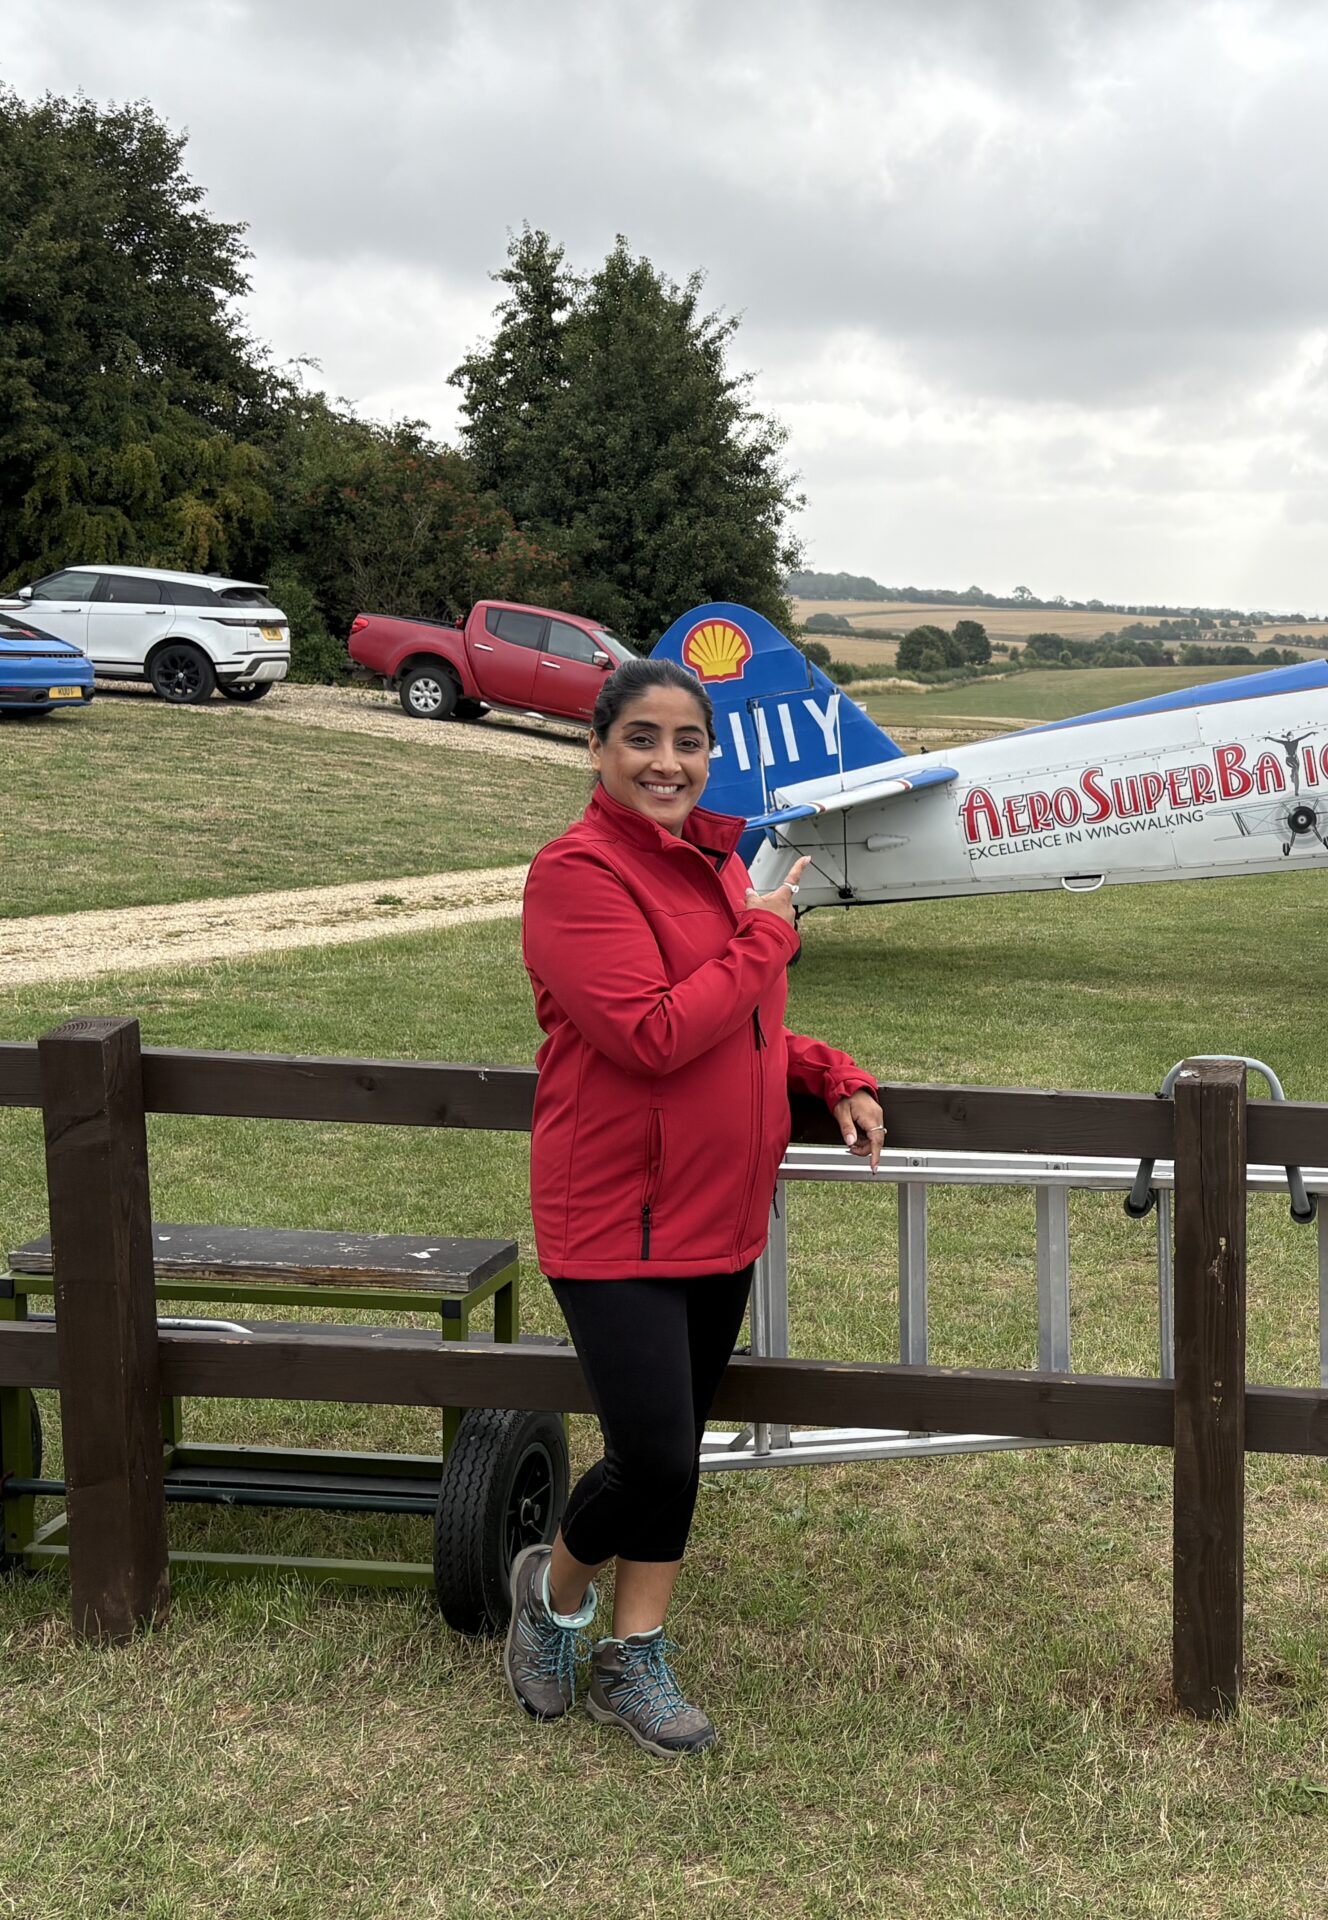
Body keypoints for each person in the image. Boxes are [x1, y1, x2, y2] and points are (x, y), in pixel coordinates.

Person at [501, 655, 884, 1757]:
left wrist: (830, 1073)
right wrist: (771, 930)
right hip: (613, 1213)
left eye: (688, 742)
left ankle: (635, 1655)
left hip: (719, 1211)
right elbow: (654, 1031)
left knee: (677, 1449)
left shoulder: (713, 866)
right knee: (655, 1455)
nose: (667, 762)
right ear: (597, 748)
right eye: (642, 739)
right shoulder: (575, 873)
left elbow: (742, 1024)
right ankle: (552, 1600)